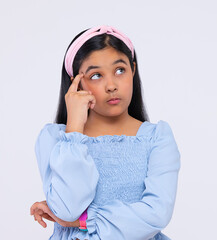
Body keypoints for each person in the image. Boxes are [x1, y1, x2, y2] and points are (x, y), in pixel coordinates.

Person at [29, 25, 181, 240]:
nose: (111, 85)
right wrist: (74, 130)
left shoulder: (156, 138)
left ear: (133, 70)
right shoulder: (56, 140)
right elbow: (67, 209)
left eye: (120, 70)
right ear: (76, 83)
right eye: (96, 75)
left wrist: (83, 221)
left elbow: (156, 214)